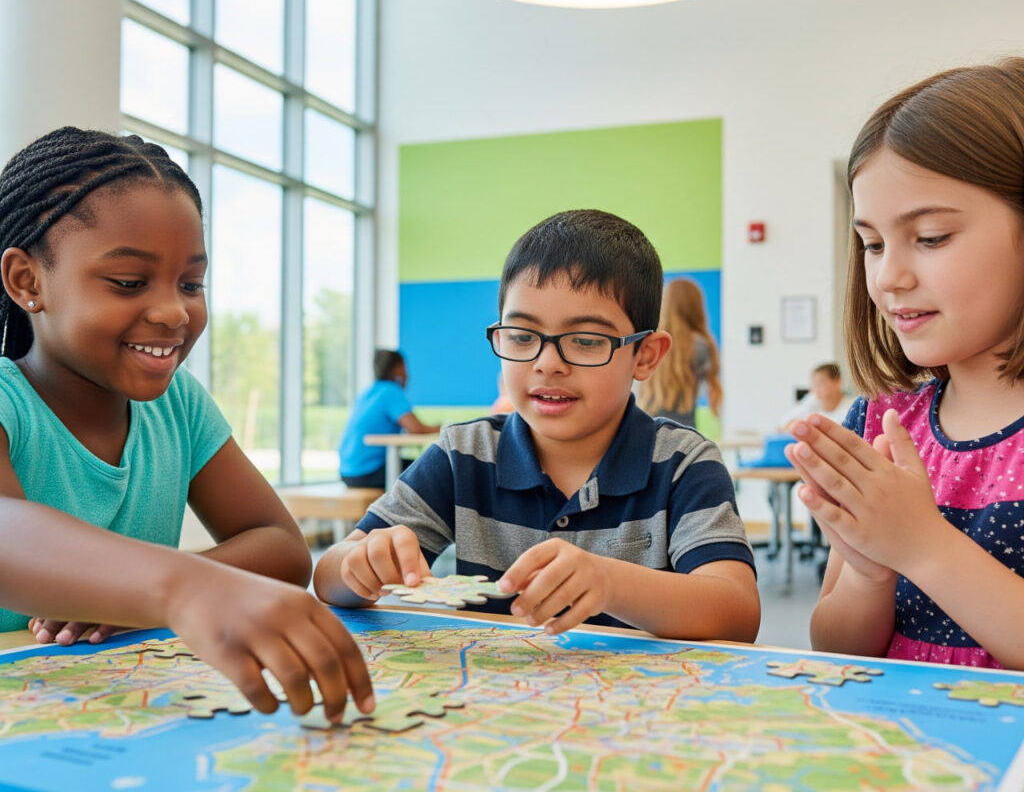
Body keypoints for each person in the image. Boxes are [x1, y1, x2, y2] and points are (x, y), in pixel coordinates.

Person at [0, 126, 373, 720]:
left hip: (111, 717)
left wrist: (142, 596)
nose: (174, 311)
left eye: (192, 283)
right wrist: (176, 589)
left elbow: (282, 547)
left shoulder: (178, 406)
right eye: (128, 282)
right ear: (28, 281)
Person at [314, 209, 760, 641]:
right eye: (523, 337)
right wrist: (360, 564)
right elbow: (329, 575)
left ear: (645, 355)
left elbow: (737, 611)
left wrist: (611, 582)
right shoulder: (465, 453)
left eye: (586, 341)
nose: (548, 364)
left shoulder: (683, 463)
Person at [786, 57, 1024, 670]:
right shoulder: (885, 421)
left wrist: (922, 547)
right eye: (872, 244)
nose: (889, 275)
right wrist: (868, 574)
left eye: (932, 237)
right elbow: (836, 648)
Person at [337, 349, 440, 488]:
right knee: (435, 470)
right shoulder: (391, 391)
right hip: (368, 472)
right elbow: (415, 429)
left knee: (417, 466)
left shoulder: (368, 393)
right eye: (404, 367)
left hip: (347, 472)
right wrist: (444, 427)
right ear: (397, 369)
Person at [636, 277, 722, 429]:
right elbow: (713, 391)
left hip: (648, 425)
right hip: (685, 431)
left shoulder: (650, 343)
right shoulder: (702, 346)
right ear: (695, 307)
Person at [777, 362, 853, 430]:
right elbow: (782, 426)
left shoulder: (851, 407)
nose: (816, 389)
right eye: (814, 384)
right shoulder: (812, 401)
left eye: (820, 383)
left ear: (837, 382)